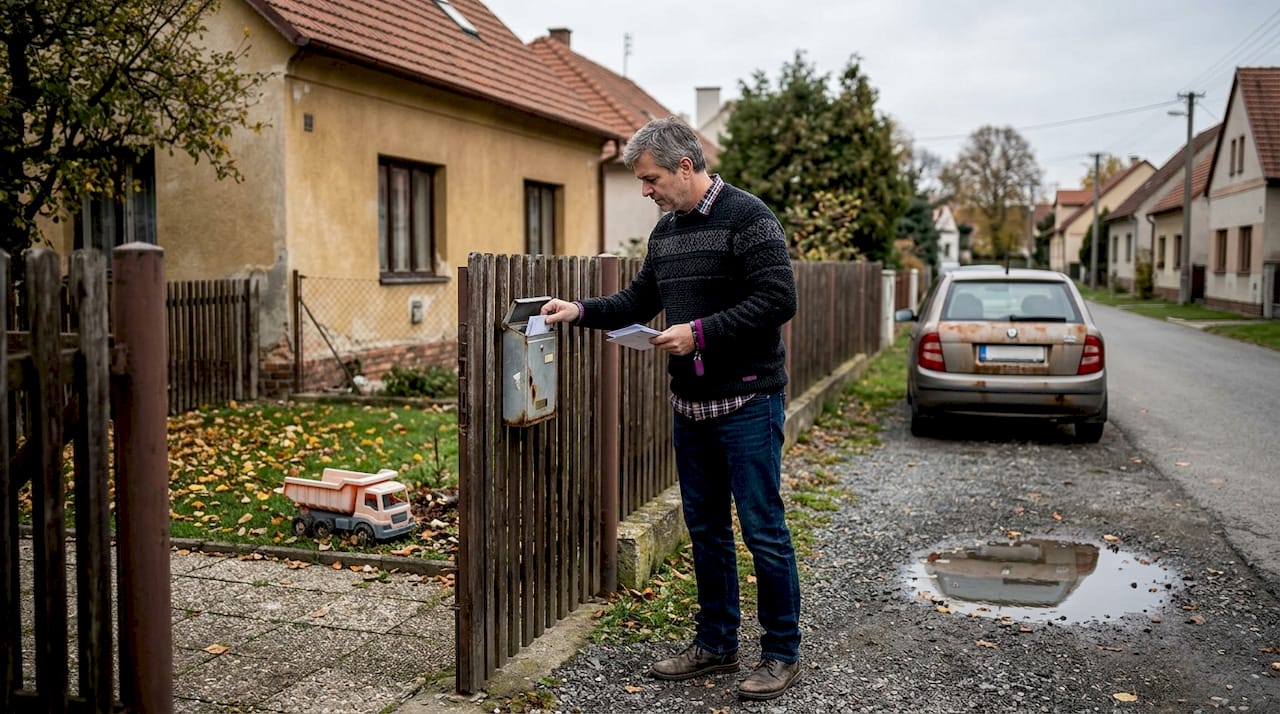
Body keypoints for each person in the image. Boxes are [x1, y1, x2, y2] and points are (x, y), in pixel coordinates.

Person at [540, 116, 801, 701]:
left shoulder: (750, 218)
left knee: (762, 530)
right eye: (641, 180)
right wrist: (579, 311)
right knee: (705, 529)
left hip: (749, 401)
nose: (645, 190)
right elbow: (640, 299)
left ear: (686, 167)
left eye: (651, 178)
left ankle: (782, 651)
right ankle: (716, 644)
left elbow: (778, 299)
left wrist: (699, 334)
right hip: (692, 406)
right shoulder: (666, 233)